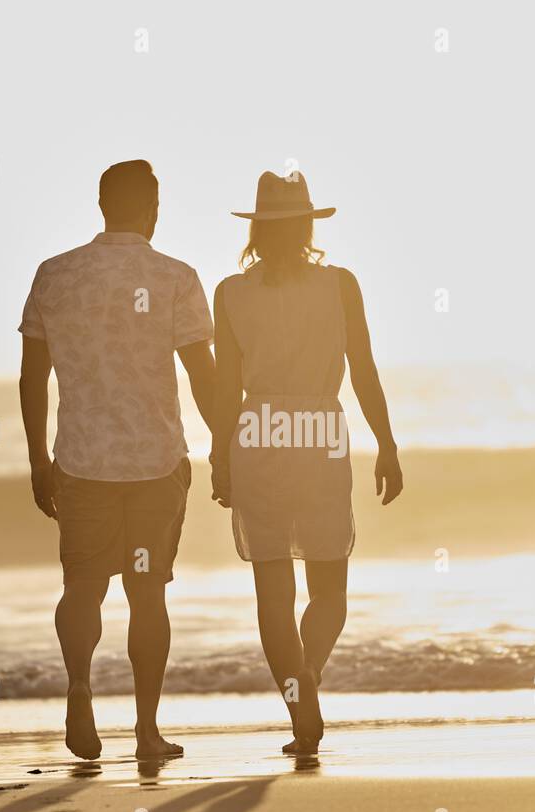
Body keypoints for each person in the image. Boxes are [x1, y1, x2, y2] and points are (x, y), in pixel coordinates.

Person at [18, 160, 215, 760]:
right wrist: (227, 446)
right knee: (147, 593)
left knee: (82, 587)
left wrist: (37, 460)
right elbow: (202, 373)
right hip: (155, 463)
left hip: (80, 461)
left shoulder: (55, 275)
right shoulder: (175, 277)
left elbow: (32, 376)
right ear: (153, 207)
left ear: (102, 205)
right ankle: (146, 731)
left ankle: (79, 685)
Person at [211, 170, 403, 754]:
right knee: (329, 590)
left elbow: (226, 387)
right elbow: (364, 368)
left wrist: (220, 457)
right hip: (320, 435)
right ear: (307, 227)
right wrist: (387, 445)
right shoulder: (340, 285)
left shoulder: (230, 293)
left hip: (257, 436)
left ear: (259, 230)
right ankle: (309, 676)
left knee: (272, 591)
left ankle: (300, 703)